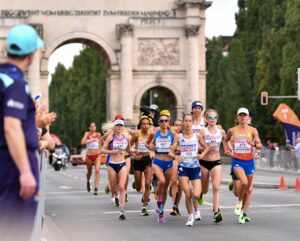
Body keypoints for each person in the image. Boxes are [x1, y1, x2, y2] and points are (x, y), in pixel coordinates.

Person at [0, 24, 44, 241]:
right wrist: (26, 172)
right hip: (13, 165)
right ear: (31, 53)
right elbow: (11, 127)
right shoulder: (15, 83)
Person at [169, 113, 208, 226]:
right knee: (187, 193)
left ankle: (197, 209)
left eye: (190, 121)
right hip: (183, 167)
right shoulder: (178, 137)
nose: (187, 123)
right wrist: (175, 156)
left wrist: (202, 155)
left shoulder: (198, 136)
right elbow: (170, 151)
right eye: (185, 121)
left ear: (192, 122)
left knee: (195, 195)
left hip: (195, 167)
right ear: (183, 122)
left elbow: (206, 148)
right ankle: (190, 216)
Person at [225, 107, 262, 224]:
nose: (242, 117)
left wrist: (255, 145)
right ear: (237, 117)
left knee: (248, 189)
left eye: (244, 115)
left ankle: (244, 213)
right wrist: (228, 150)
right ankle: (239, 203)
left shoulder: (253, 130)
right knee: (244, 184)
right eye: (240, 115)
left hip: (249, 162)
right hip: (237, 161)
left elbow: (260, 145)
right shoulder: (232, 130)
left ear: (248, 117)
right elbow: (225, 140)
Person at [100, 118, 134, 220]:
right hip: (112, 165)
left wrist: (134, 152)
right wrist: (111, 152)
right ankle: (113, 194)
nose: (119, 127)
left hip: (122, 163)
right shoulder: (110, 138)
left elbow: (128, 149)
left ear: (123, 127)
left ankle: (122, 211)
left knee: (122, 187)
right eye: (117, 125)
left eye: (121, 125)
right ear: (114, 127)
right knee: (114, 188)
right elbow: (102, 150)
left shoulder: (126, 138)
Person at [146, 110, 176, 223]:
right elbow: (147, 144)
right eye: (162, 121)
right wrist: (151, 147)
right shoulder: (154, 133)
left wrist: (174, 150)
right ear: (159, 122)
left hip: (168, 163)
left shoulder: (173, 134)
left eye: (166, 121)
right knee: (162, 182)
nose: (164, 122)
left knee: (165, 188)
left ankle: (161, 211)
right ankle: (157, 199)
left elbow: (177, 145)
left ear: (169, 122)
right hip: (157, 161)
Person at [200, 109, 228, 223]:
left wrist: (227, 150)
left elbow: (226, 143)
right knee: (205, 189)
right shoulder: (202, 132)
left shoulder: (221, 132)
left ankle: (216, 212)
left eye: (214, 117)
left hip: (216, 161)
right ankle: (201, 193)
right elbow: (198, 147)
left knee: (216, 187)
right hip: (204, 163)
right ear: (206, 119)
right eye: (210, 117)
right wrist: (206, 147)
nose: (212, 119)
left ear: (217, 119)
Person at [131, 115, 152, 216]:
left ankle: (144, 207)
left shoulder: (151, 134)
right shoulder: (136, 134)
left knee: (147, 183)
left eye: (147, 124)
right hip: (138, 160)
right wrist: (134, 154)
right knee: (138, 188)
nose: (145, 125)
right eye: (143, 124)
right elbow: (129, 146)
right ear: (140, 125)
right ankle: (136, 182)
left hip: (147, 159)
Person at [81, 121, 102, 195]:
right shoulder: (87, 134)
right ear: (89, 127)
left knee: (97, 170)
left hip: (97, 155)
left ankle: (96, 188)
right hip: (89, 156)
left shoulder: (98, 134)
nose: (93, 128)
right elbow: (82, 142)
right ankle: (88, 181)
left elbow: (100, 144)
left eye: (94, 126)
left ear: (96, 127)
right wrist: (90, 140)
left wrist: (101, 151)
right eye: (91, 126)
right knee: (89, 172)